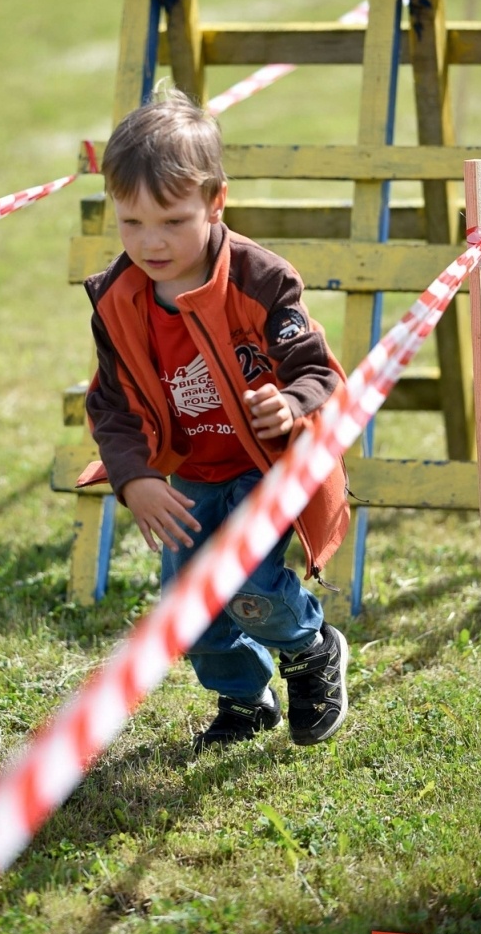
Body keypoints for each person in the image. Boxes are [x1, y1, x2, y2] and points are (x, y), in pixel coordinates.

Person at [76, 86, 350, 752]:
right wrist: (134, 477)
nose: (151, 242)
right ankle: (243, 700)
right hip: (191, 473)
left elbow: (319, 373)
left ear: (215, 200)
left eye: (171, 221)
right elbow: (109, 402)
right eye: (131, 223)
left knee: (249, 582)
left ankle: (310, 648)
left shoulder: (262, 281)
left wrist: (287, 403)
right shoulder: (117, 298)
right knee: (188, 609)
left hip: (267, 467)